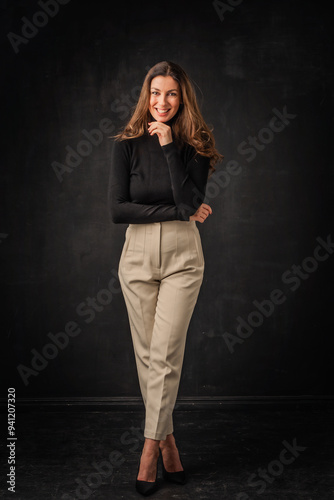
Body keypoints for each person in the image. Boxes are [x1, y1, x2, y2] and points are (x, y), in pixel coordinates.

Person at [108, 60, 222, 496]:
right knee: (148, 357)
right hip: (136, 257)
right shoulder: (126, 145)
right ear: (146, 95)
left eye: (171, 94)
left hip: (182, 257)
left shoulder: (197, 145)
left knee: (166, 354)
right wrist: (179, 212)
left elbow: (189, 196)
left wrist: (172, 144)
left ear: (182, 98)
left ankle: (149, 450)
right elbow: (119, 211)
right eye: (155, 92)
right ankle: (170, 442)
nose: (162, 102)